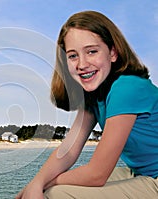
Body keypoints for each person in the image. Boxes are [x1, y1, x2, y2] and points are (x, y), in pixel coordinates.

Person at [16, 10, 158, 199]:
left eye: (92, 51)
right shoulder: (94, 96)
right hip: (143, 174)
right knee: (45, 190)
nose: (82, 64)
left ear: (113, 52)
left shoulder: (127, 87)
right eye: (73, 56)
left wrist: (46, 183)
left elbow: (97, 174)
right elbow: (67, 151)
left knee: (57, 194)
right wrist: (36, 183)